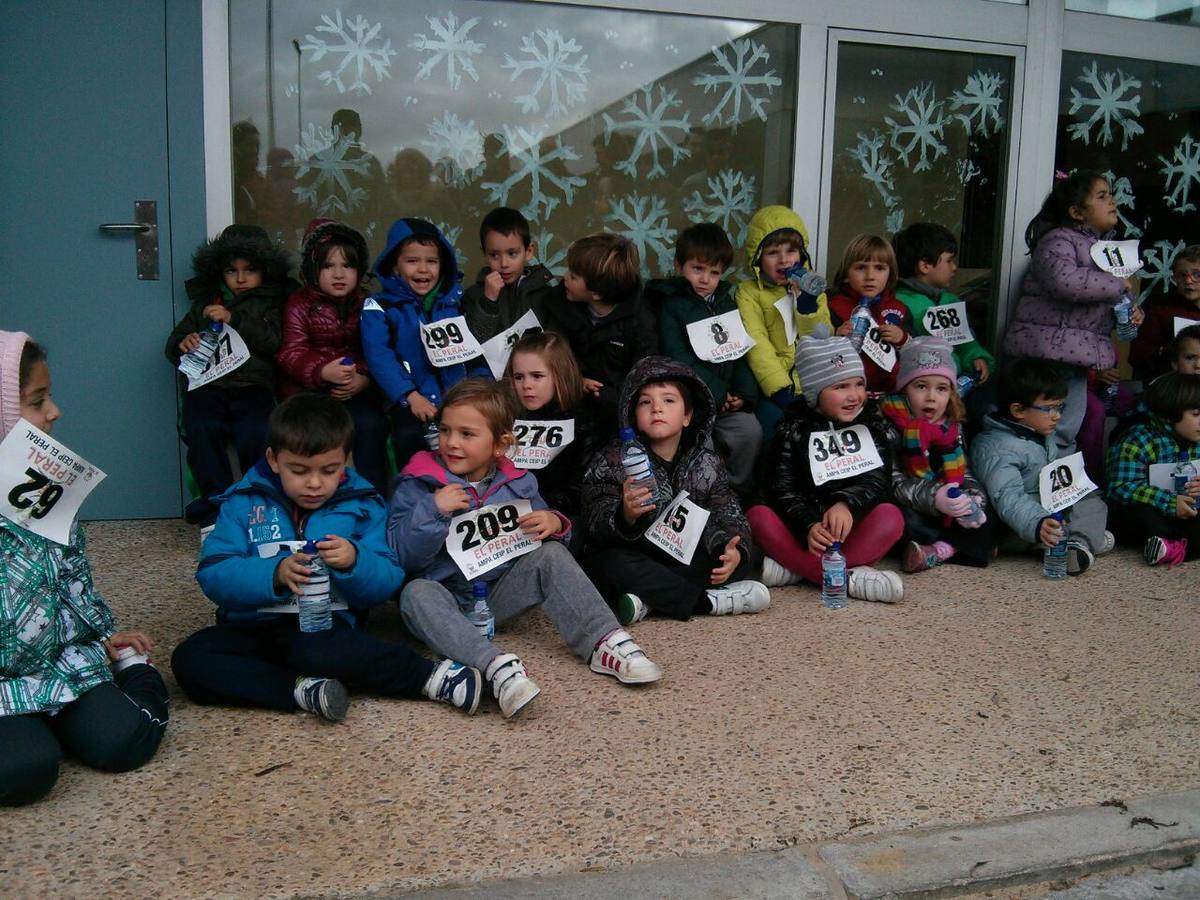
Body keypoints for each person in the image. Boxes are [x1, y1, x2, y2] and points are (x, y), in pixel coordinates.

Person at [171, 393, 482, 722]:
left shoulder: (364, 504)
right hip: (250, 626)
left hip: (325, 628)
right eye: (299, 470)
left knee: (331, 653)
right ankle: (301, 690)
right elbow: (213, 573)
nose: (315, 483)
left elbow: (388, 580)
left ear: (346, 461)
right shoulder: (242, 502)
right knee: (191, 658)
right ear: (274, 460)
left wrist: (354, 561)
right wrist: (272, 574)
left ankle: (433, 678)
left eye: (329, 470)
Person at [389, 379, 662, 719]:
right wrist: (433, 510)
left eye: (467, 434)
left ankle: (604, 641)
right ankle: (494, 669)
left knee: (551, 554)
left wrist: (553, 523)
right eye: (445, 431)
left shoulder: (518, 480)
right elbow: (400, 557)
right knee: (415, 593)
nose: (452, 443)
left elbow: (542, 526)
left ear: (500, 445)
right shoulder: (418, 482)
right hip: (444, 599)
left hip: (496, 596)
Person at [1, 332, 168, 806]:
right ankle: (35, 728)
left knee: (125, 741)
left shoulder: (43, 487)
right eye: (36, 402)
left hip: (57, 665)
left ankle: (134, 674)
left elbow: (70, 577)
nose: (53, 412)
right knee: (26, 770)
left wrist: (100, 636)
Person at [580, 357, 767, 623]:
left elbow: (726, 508)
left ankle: (648, 600)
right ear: (633, 415)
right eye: (646, 402)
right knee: (607, 565)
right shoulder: (613, 459)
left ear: (688, 416)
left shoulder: (706, 461)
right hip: (636, 555)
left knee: (736, 559)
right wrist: (625, 515)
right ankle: (707, 602)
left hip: (682, 558)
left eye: (668, 401)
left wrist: (732, 547)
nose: (657, 408)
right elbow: (594, 516)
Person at [746, 329, 906, 603]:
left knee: (892, 517)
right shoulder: (792, 429)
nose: (854, 395)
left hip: (851, 529)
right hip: (805, 533)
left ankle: (798, 571)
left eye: (858, 384)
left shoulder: (872, 424)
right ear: (815, 393)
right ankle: (848, 578)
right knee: (757, 516)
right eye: (840, 387)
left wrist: (846, 504)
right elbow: (780, 488)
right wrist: (808, 524)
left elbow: (877, 481)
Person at [1002, 170, 1144, 452]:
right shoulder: (1058, 240)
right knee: (1038, 424)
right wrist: (1115, 285)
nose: (1112, 202)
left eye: (1111, 195)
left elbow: (1110, 295)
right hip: (1045, 356)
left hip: (1075, 359)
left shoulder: (1104, 249)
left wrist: (1131, 311)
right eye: (1102, 196)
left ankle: (1057, 487)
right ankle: (1031, 478)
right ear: (1077, 212)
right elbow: (1065, 281)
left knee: (1067, 426)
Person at [165, 224, 293, 530]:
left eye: (250, 270)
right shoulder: (207, 305)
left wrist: (235, 320)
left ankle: (258, 502)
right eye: (231, 271)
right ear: (219, 272)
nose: (240, 279)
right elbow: (174, 344)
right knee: (201, 428)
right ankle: (215, 505)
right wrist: (183, 344)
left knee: (256, 432)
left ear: (266, 270)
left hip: (253, 387)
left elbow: (275, 342)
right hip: (208, 387)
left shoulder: (273, 302)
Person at [648, 222, 762, 496]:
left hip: (727, 402)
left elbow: (739, 352)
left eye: (714, 273)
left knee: (751, 432)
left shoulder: (726, 302)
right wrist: (717, 392)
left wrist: (743, 394)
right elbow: (678, 357)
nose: (705, 279)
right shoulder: (670, 305)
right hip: (692, 404)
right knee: (701, 447)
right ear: (678, 266)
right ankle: (701, 495)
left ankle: (734, 491)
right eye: (697, 269)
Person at [277, 218, 389, 494]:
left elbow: (378, 350)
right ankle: (308, 494)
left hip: (355, 390)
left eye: (347, 266)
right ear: (313, 270)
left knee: (371, 425)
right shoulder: (300, 304)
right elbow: (291, 353)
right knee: (309, 433)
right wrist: (322, 372)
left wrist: (363, 378)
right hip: (308, 393)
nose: (339, 274)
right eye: (328, 266)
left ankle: (371, 495)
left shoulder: (368, 304)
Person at [970, 358, 1112, 574]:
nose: (1057, 416)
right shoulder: (997, 447)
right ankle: (1079, 540)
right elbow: (1007, 496)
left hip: (1046, 508)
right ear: (1018, 410)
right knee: (1085, 522)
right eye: (1050, 409)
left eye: (1060, 407)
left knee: (1090, 498)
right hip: (1017, 524)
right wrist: (1038, 523)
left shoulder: (1036, 432)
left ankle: (1078, 542)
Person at [361, 218, 481, 470]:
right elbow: (379, 356)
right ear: (394, 266)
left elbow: (474, 354)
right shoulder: (379, 306)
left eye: (431, 261)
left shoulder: (454, 303)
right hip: (409, 402)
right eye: (412, 261)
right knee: (409, 440)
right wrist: (408, 395)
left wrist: (477, 390)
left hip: (456, 397)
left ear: (443, 264)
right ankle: (414, 499)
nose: (423, 269)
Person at [880, 338, 997, 572]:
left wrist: (971, 498)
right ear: (904, 390)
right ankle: (963, 547)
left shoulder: (952, 426)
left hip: (948, 506)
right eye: (921, 386)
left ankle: (938, 551)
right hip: (916, 502)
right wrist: (935, 498)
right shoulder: (889, 424)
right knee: (900, 519)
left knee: (988, 513)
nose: (931, 397)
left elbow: (964, 472)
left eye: (941, 388)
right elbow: (893, 483)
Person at [535, 233, 656, 439]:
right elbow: (549, 355)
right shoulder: (557, 304)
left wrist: (606, 395)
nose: (564, 277)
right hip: (565, 408)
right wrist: (576, 382)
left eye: (573, 276)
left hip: (615, 419)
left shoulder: (641, 322)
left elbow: (643, 375)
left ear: (597, 293)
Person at [735, 206, 832, 439]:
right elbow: (757, 343)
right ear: (758, 258)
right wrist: (780, 390)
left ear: (802, 255)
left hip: (815, 384)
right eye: (772, 252)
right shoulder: (748, 293)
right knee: (777, 431)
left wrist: (807, 304)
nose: (784, 260)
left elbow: (823, 338)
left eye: (792, 251)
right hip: (776, 390)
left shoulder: (813, 288)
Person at [892, 222, 996, 425]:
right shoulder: (900, 302)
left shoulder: (951, 300)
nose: (954, 267)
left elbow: (966, 341)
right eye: (949, 261)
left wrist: (976, 357)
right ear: (925, 265)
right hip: (921, 393)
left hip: (955, 389)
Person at [503, 331, 599, 524]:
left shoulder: (584, 422)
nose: (526, 385)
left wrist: (549, 512)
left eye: (537, 376)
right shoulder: (503, 417)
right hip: (506, 516)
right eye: (518, 377)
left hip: (561, 518)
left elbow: (584, 486)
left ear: (560, 375)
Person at [1106, 372, 1200, 568]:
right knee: (1143, 519)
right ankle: (1169, 545)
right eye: (1196, 414)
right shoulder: (1138, 440)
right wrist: (1169, 502)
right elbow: (1121, 488)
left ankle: (1170, 548)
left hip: (1189, 511)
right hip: (1151, 510)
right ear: (1171, 412)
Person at [826, 234, 911, 395]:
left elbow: (916, 352)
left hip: (892, 393)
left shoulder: (900, 310)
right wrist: (835, 337)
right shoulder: (833, 306)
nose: (870, 276)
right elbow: (816, 350)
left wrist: (903, 338)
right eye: (861, 268)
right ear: (845, 273)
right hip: (845, 394)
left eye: (879, 268)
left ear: (890, 274)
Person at [461, 207, 555, 346]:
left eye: (512, 254)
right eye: (494, 255)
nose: (504, 264)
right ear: (485, 255)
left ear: (528, 251)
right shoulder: (473, 295)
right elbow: (473, 345)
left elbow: (554, 346)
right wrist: (488, 302)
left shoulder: (545, 295)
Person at [1129, 244, 1200, 383]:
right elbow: (1137, 355)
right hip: (1171, 388)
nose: (1188, 280)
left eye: (1197, 274)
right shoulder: (1161, 310)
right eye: (1181, 275)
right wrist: (1166, 352)